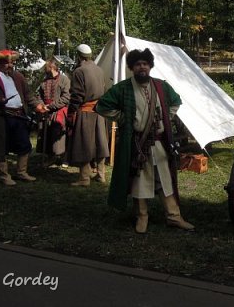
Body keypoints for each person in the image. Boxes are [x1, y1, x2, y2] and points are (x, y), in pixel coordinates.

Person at [96, 48, 194, 234]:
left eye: (145, 64)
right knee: (139, 182)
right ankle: (142, 217)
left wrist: (166, 117)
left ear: (150, 66)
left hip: (159, 143)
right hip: (137, 144)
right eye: (138, 64)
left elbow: (176, 102)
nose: (142, 67)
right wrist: (123, 118)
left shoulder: (161, 86)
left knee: (166, 180)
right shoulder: (123, 88)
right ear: (132, 67)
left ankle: (174, 216)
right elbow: (102, 106)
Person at [0, 49, 47, 186]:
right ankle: (4, 176)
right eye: (9, 63)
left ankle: (21, 172)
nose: (11, 65)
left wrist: (38, 106)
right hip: (0, 117)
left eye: (13, 63)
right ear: (1, 62)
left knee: (24, 144)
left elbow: (28, 95)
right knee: (0, 147)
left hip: (18, 116)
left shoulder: (18, 76)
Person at [66, 44, 109, 186]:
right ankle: (101, 175)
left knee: (83, 144)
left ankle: (84, 178)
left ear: (78, 55)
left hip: (85, 111)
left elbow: (77, 95)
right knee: (100, 143)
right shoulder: (99, 70)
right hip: (99, 112)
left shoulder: (79, 71)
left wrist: (72, 111)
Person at [37, 58, 70, 165]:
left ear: (52, 67)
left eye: (47, 67)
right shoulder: (45, 80)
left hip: (59, 111)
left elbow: (66, 97)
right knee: (45, 134)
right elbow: (39, 95)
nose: (46, 70)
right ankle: (49, 156)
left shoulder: (64, 80)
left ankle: (62, 157)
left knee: (58, 134)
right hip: (46, 111)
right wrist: (42, 105)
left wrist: (51, 106)